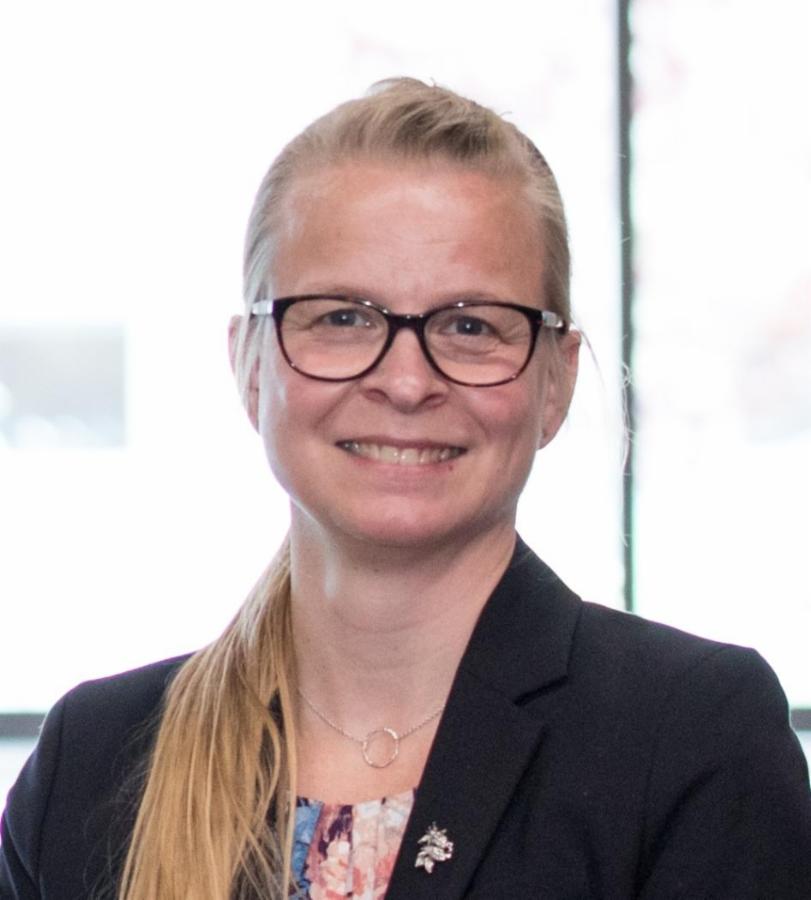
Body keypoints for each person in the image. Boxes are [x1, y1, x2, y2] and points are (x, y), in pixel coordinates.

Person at [1, 77, 809, 900]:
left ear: (556, 383)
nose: (405, 380)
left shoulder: (686, 739)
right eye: (342, 317)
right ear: (249, 363)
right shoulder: (94, 762)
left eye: (469, 326)